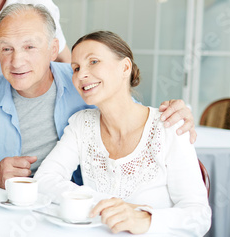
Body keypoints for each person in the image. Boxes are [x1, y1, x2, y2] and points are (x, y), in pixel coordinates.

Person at [0, 4, 197, 189]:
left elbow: (130, 114)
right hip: (7, 206)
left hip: (69, 209)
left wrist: (176, 114)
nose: (17, 61)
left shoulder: (83, 81)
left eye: (29, 47)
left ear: (52, 49)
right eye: (6, 49)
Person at [34, 31, 211, 235]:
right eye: (76, 68)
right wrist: (107, 204)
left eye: (93, 61)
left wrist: (144, 218)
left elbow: (199, 216)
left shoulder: (169, 126)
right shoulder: (81, 124)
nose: (81, 74)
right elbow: (44, 179)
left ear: (125, 67)